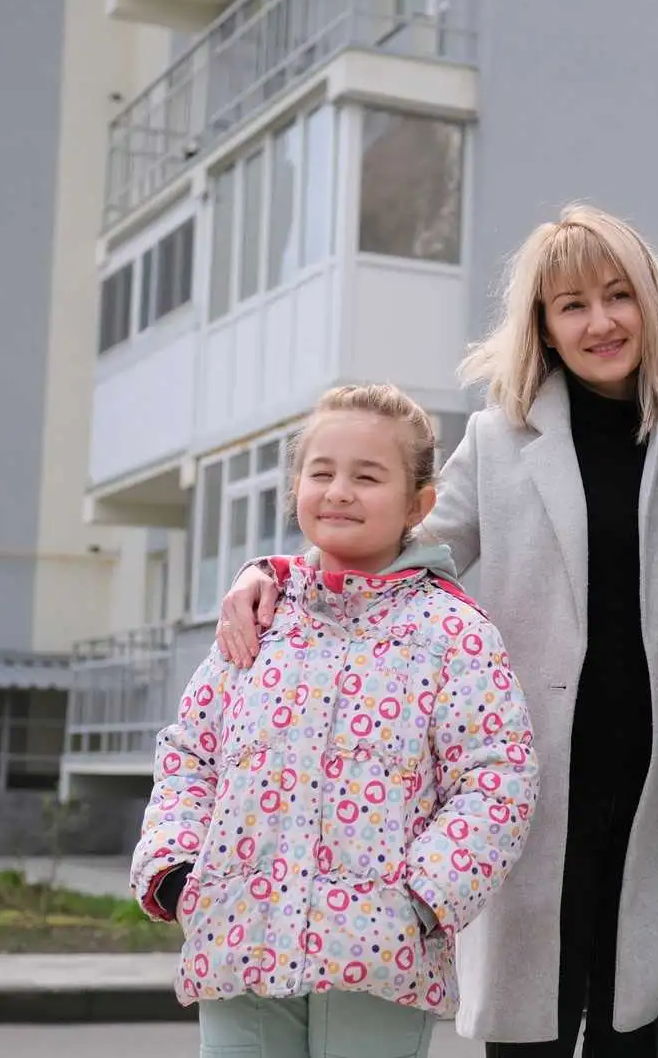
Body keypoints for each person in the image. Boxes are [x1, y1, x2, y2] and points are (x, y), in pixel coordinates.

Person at [215, 205, 658, 1058]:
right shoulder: (499, 440)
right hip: (534, 792)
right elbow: (396, 548)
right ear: (543, 323)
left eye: (618, 295)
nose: (600, 321)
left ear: (651, 303)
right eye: (572, 304)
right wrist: (276, 573)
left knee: (645, 1032)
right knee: (529, 1030)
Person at [130, 383, 540, 1058]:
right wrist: (176, 871)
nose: (340, 492)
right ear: (296, 487)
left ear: (418, 505)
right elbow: (189, 756)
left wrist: (423, 899)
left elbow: (497, 779)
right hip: (238, 940)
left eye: (367, 477)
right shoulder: (257, 620)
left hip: (378, 954)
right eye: (321, 473)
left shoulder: (453, 633)